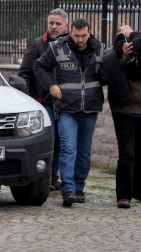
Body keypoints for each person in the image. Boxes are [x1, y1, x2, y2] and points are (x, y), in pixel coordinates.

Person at [33, 18, 104, 207]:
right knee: (67, 148)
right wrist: (50, 86)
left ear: (90, 32)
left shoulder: (100, 49)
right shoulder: (57, 47)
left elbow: (107, 74)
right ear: (69, 32)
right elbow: (38, 66)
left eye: (84, 36)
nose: (80, 40)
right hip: (66, 108)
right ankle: (68, 190)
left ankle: (79, 187)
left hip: (90, 108)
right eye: (76, 36)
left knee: (84, 152)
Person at [101, 25, 141, 209]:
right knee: (127, 153)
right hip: (123, 109)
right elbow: (107, 74)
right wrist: (123, 57)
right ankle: (123, 195)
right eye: (124, 36)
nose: (129, 40)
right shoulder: (111, 54)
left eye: (131, 36)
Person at [18, 8, 69, 191]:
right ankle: (48, 177)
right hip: (42, 102)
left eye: (58, 24)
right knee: (51, 139)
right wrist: (30, 100)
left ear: (66, 26)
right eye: (51, 23)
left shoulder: (70, 46)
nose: (54, 27)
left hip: (65, 103)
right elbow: (24, 74)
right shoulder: (37, 45)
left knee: (62, 142)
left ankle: (56, 178)